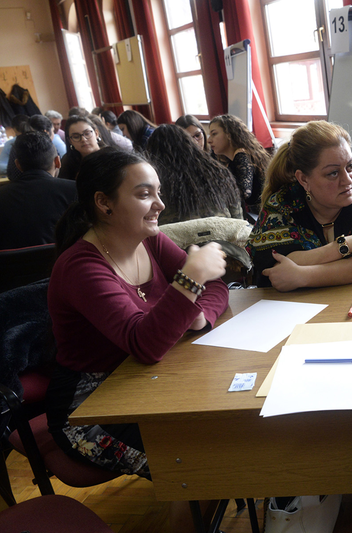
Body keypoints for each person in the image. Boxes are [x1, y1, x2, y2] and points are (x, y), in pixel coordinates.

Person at [46, 147, 228, 482]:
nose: (160, 204)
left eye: (159, 192)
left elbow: (216, 287)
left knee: (225, 429)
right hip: (90, 409)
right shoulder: (80, 267)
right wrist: (191, 280)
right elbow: (145, 344)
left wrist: (199, 316)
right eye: (145, 194)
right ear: (104, 203)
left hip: (146, 381)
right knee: (197, 464)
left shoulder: (149, 241)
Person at [246, 120, 352, 290]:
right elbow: (275, 265)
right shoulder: (283, 203)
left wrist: (303, 276)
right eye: (333, 173)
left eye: (350, 166)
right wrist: (346, 244)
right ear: (304, 179)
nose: (347, 180)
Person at [146, 124, 243, 223]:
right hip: (222, 230)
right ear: (189, 143)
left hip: (172, 232)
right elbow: (238, 219)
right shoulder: (218, 172)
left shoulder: (152, 180)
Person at [0, 132, 75, 249]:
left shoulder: (2, 195)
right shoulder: (74, 190)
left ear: (18, 165)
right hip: (65, 258)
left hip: (11, 261)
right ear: (57, 161)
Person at [208, 114, 270, 216]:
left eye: (214, 134)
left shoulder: (241, 154)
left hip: (260, 214)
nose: (209, 140)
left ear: (229, 134)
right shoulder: (232, 159)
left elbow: (244, 192)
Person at [4, 114, 67, 182]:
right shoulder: (47, 148)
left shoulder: (18, 145)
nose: (54, 135)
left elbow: (11, 174)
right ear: (46, 132)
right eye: (53, 131)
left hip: (18, 186)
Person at [59, 115, 111, 181]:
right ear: (70, 141)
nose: (83, 139)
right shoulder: (68, 161)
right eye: (76, 137)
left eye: (87, 133)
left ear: (96, 134)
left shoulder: (112, 157)